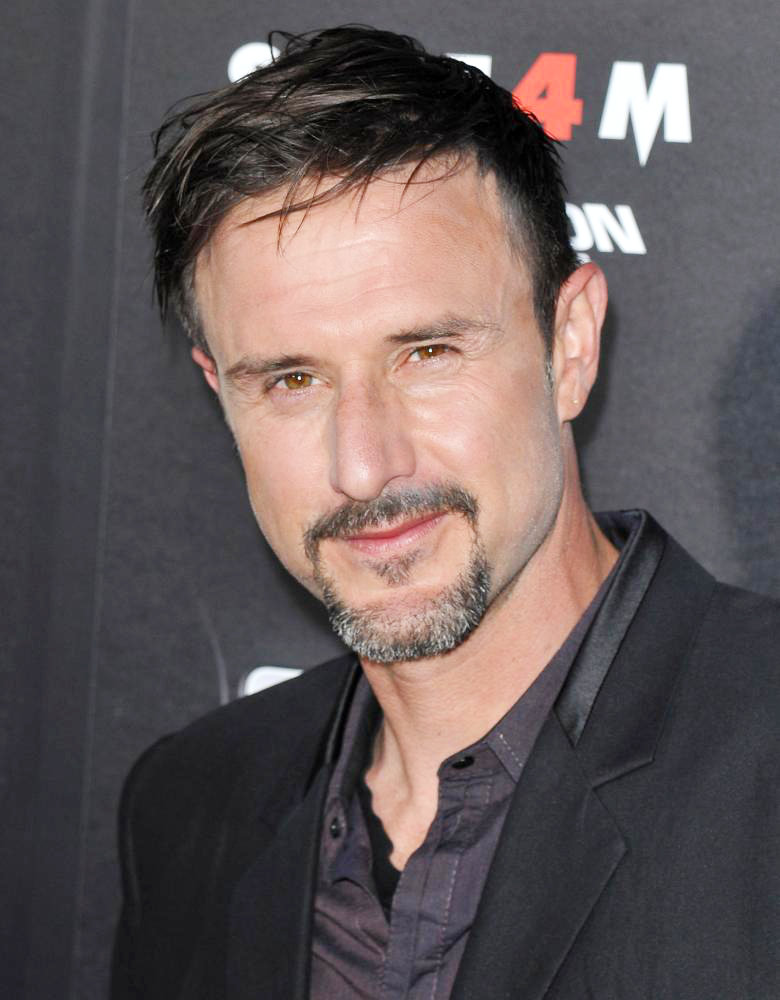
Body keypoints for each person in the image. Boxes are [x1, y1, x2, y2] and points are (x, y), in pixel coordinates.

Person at [112, 25, 778, 1000]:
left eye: (426, 354)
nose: (363, 465)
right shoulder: (188, 809)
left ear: (569, 344)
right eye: (292, 379)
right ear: (222, 392)